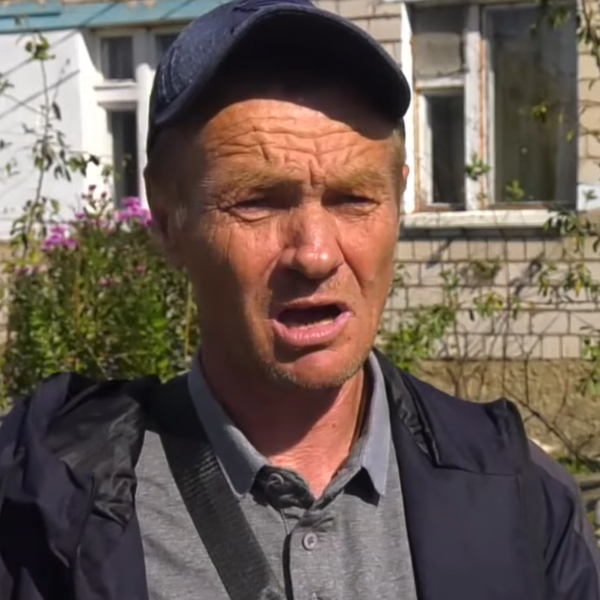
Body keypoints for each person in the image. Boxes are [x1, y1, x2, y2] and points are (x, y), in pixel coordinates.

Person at [0, 0, 599, 598]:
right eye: (257, 201)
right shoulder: (51, 515)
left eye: (353, 199)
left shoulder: (518, 496)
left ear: (398, 203)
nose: (314, 254)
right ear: (166, 218)